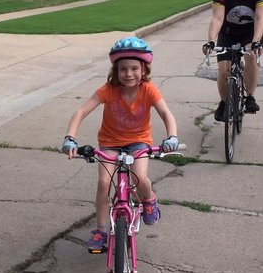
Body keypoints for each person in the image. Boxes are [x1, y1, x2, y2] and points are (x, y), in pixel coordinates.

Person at [60, 37, 180, 253]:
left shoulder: (149, 90)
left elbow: (165, 113)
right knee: (104, 182)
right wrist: (70, 138)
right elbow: (80, 112)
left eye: (134, 68)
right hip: (109, 143)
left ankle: (150, 200)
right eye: (123, 69)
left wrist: (172, 137)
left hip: (139, 142)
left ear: (143, 69)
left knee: (140, 178)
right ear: (116, 71)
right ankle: (100, 230)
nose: (128, 74)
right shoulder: (108, 90)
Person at [202, 0, 263, 121]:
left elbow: (260, 17)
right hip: (228, 32)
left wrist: (255, 42)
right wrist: (210, 40)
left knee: (251, 57)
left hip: (250, 33)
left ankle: (250, 97)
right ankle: (224, 102)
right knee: (223, 69)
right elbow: (217, 18)